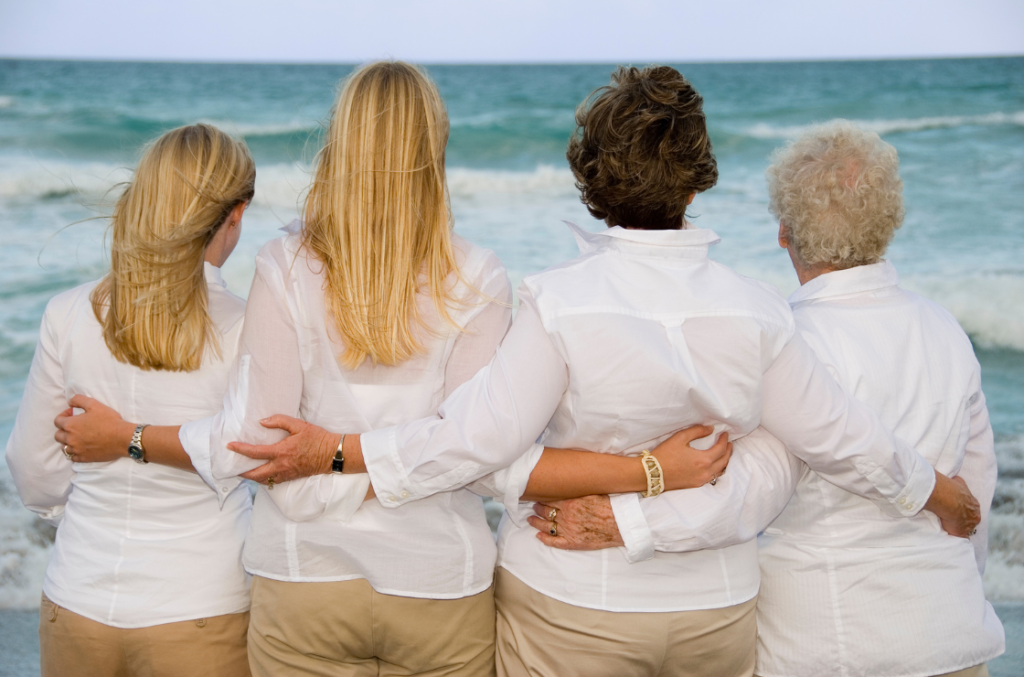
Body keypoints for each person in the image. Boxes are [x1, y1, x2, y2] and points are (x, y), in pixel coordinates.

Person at [207, 67, 981, 677]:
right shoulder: (759, 311)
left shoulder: (559, 303)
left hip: (574, 608)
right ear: (698, 177)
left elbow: (482, 445)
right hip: (715, 611)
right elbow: (836, 437)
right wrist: (934, 489)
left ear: (590, 175)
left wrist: (337, 452)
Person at [53, 61, 736, 677]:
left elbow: (264, 445)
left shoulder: (283, 266)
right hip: (437, 578)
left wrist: (326, 464)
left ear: (340, 144)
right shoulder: (477, 274)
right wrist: (368, 467)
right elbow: (466, 451)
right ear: (431, 149)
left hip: (303, 573)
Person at [524, 121, 1006, 677]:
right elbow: (974, 497)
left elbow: (753, 487)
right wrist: (959, 587)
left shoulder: (790, 340)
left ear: (783, 232)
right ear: (889, 224)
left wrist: (627, 523)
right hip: (953, 633)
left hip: (836, 640)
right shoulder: (945, 328)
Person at [6, 123, 255, 677]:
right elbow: (244, 453)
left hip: (77, 598)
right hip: (200, 605)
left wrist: (87, 514)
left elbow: (32, 468)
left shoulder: (68, 313)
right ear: (235, 214)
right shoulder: (247, 326)